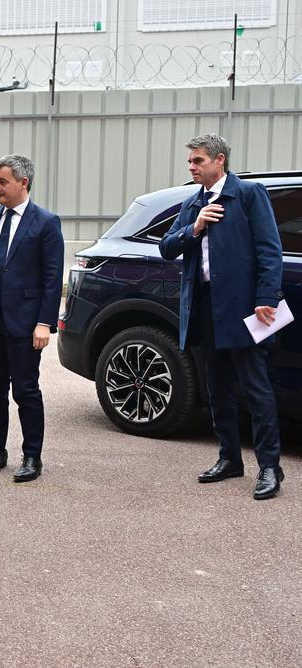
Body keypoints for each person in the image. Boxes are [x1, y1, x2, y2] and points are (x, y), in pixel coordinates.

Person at [160, 133, 284, 500]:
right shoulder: (191, 205)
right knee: (218, 389)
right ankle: (229, 459)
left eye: (198, 161)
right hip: (204, 306)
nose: (191, 166)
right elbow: (168, 248)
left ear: (220, 161)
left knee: (256, 388)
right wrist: (194, 227)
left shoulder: (247, 194)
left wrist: (266, 297)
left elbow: (269, 250)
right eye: (190, 161)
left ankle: (270, 467)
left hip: (245, 308)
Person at [0, 154, 64, 483]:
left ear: (23, 183)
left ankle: (32, 455)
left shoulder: (46, 222)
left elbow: (52, 278)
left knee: (25, 390)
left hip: (25, 321)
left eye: (2, 182)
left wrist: (43, 323)